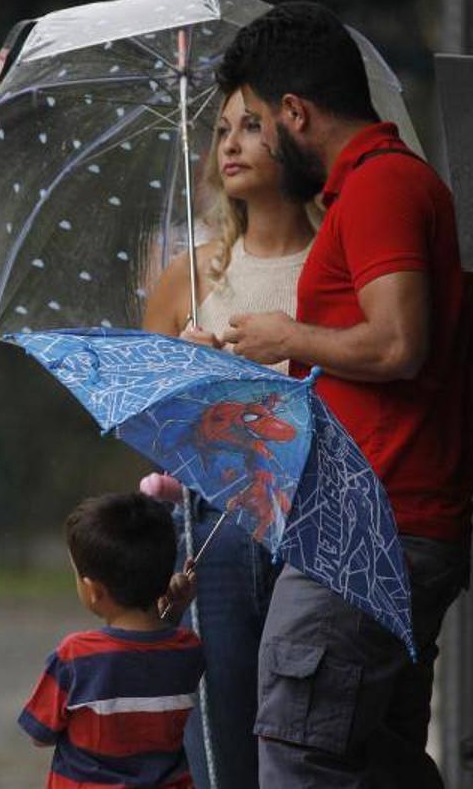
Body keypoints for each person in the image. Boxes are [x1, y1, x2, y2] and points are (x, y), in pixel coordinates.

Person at [214, 2, 473, 788]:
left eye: (257, 120)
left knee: (297, 755)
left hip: (367, 534)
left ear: (296, 112)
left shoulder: (381, 189)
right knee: (373, 767)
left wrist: (286, 337)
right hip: (384, 526)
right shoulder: (380, 189)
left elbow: (397, 344)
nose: (250, 140)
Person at [139, 85, 319, 789]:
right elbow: (153, 434)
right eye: (221, 131)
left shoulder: (332, 263)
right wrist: (186, 380)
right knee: (218, 741)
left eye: (252, 126)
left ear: (293, 138)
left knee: (301, 735)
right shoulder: (188, 276)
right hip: (213, 532)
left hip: (310, 520)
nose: (232, 143)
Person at [18, 492, 205, 789]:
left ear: (94, 590)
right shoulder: (189, 649)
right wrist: (176, 611)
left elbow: (39, 734)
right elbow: (154, 656)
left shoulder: (75, 657)